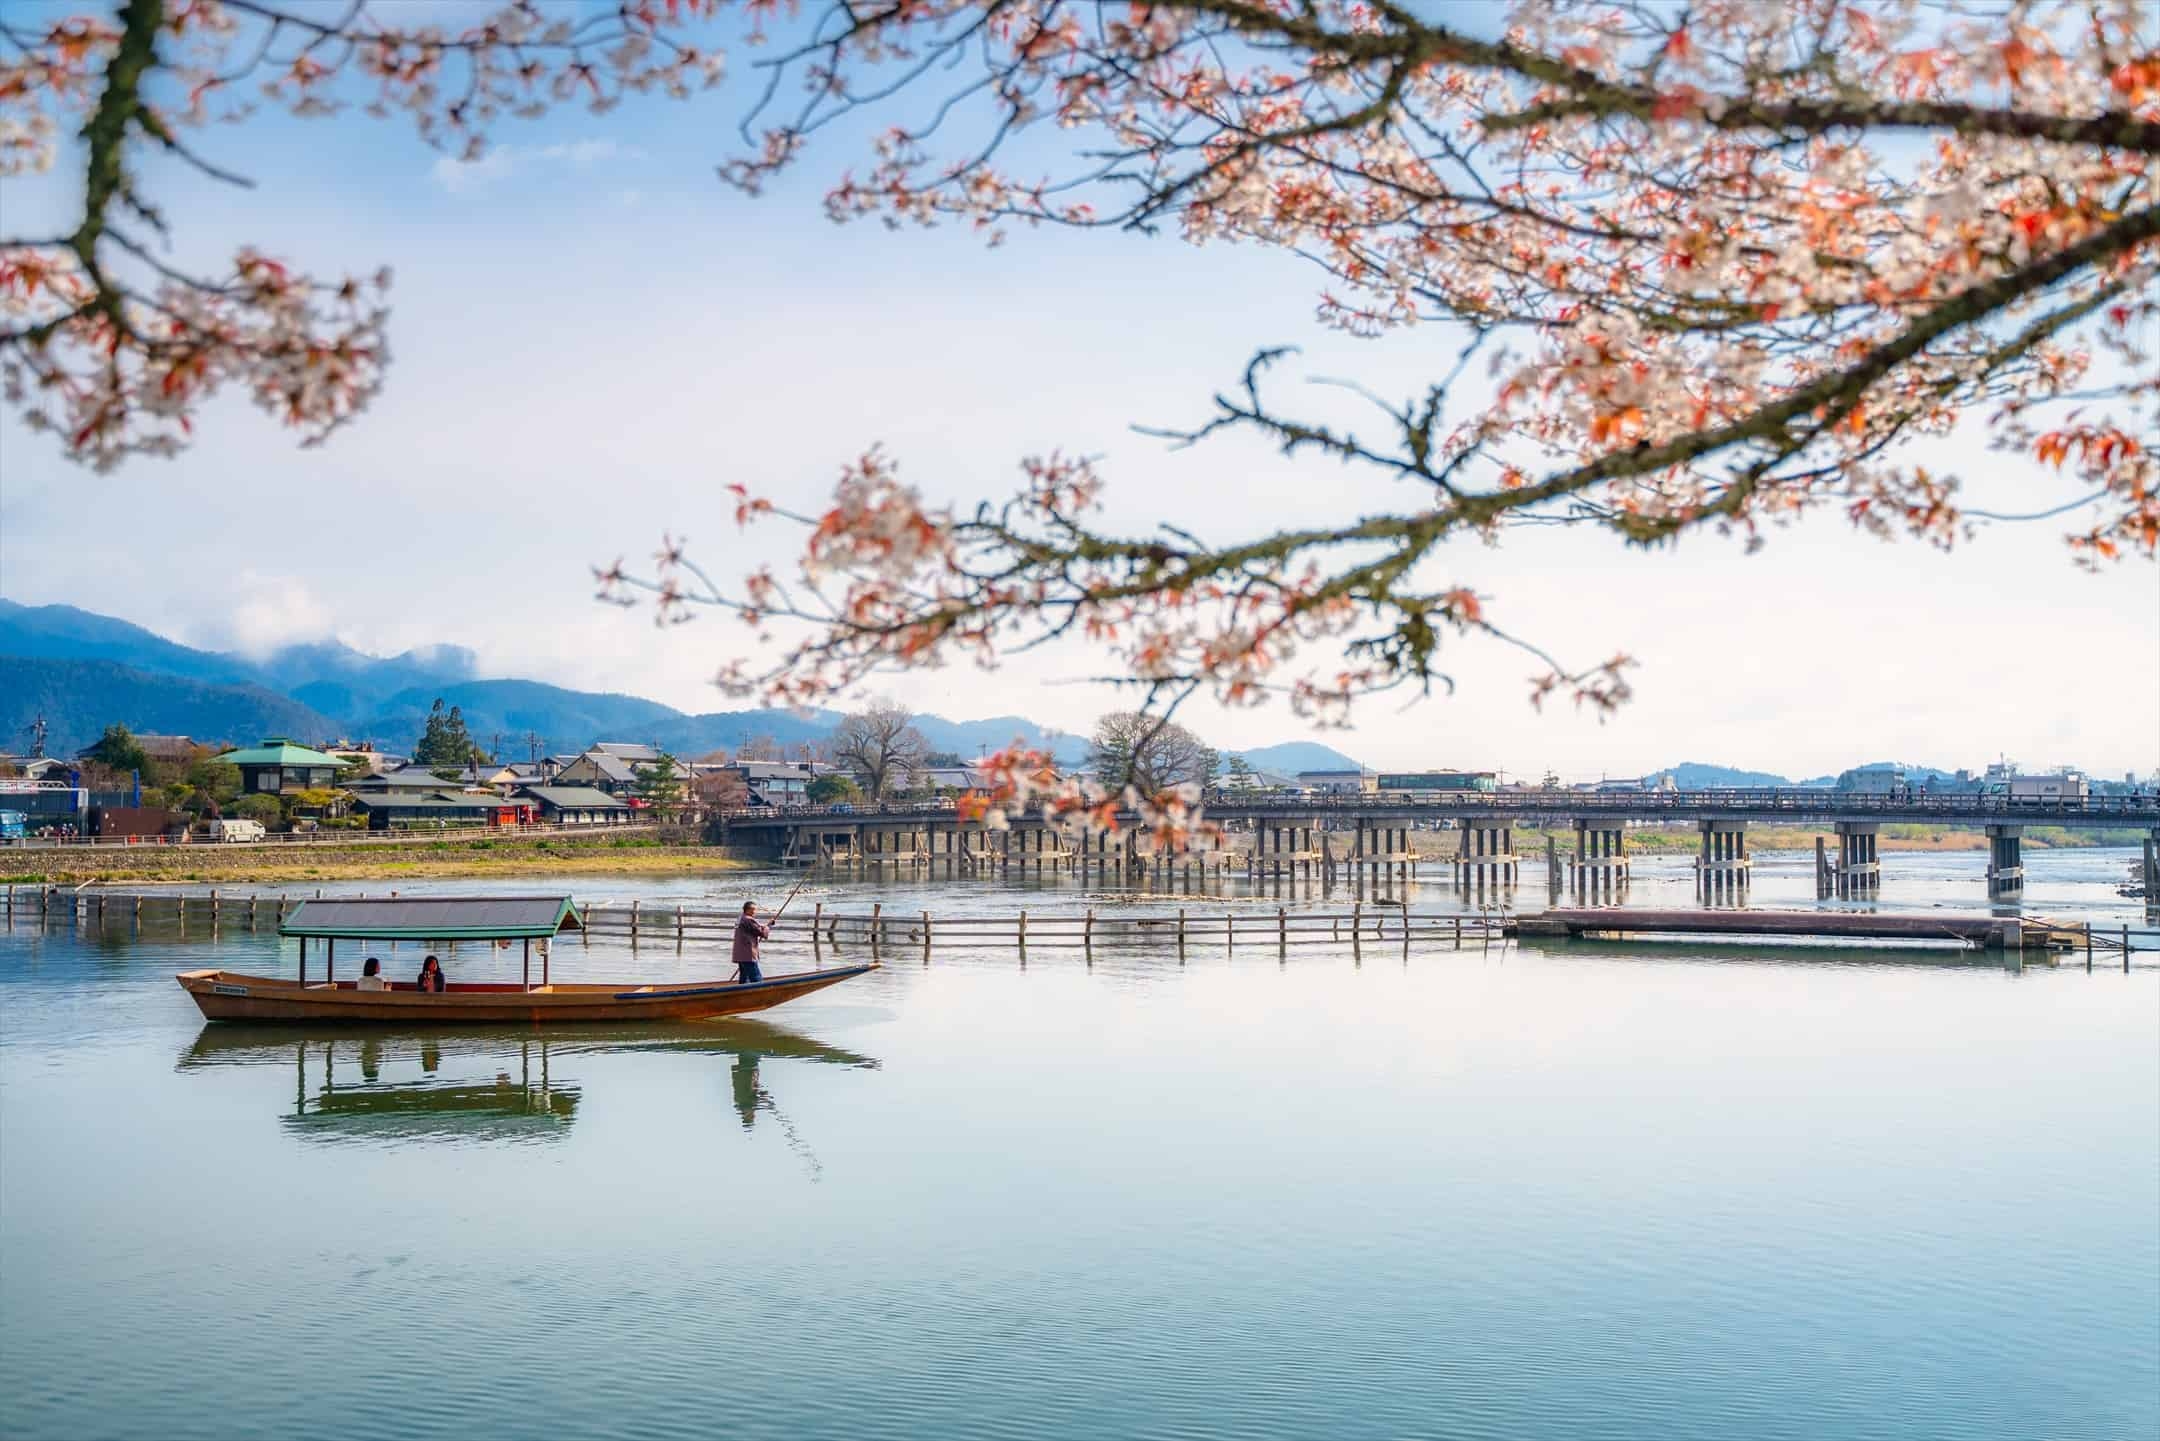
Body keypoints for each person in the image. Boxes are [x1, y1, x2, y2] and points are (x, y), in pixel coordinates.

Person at [732, 900, 772, 983]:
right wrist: (768, 926)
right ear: (748, 910)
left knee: (744, 978)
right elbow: (761, 933)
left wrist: (767, 925)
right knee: (756, 978)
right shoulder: (748, 919)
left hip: (740, 954)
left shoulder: (740, 918)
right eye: (754, 909)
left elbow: (755, 927)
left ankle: (742, 993)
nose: (755, 912)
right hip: (748, 954)